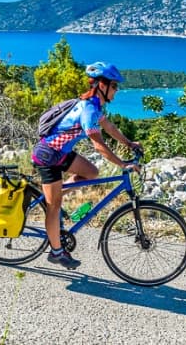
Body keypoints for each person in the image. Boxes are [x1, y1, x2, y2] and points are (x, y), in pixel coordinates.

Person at [31, 61, 142, 269]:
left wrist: (129, 143)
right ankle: (56, 252)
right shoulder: (88, 109)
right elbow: (98, 144)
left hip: (60, 153)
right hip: (47, 155)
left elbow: (108, 127)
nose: (116, 91)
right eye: (115, 86)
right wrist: (123, 164)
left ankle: (55, 194)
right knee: (53, 207)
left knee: (92, 172)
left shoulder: (93, 105)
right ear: (102, 85)